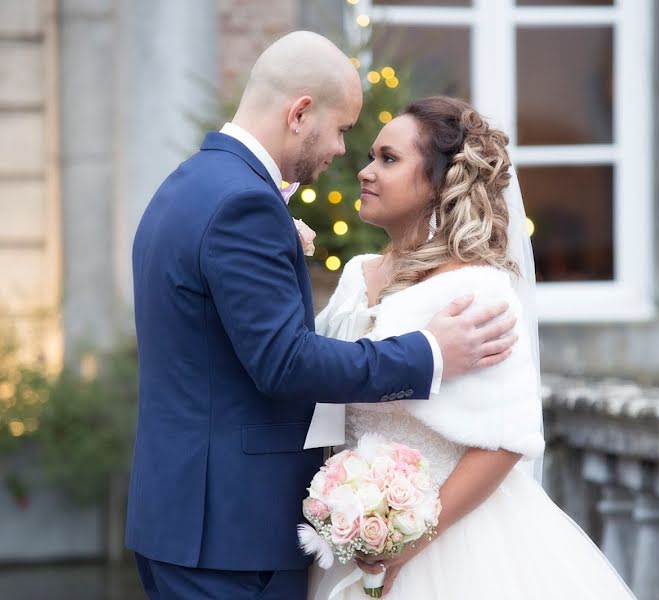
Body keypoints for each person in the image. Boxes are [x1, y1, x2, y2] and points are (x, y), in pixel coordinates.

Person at [126, 33, 517, 600]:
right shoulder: (244, 204)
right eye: (341, 130)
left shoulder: (191, 185)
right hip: (231, 536)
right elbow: (284, 362)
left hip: (187, 521)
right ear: (300, 113)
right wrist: (431, 352)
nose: (342, 152)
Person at [307, 96, 635, 598]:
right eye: (371, 156)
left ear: (439, 183)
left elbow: (506, 440)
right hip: (351, 540)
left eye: (388, 159)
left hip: (455, 546)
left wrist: (414, 539)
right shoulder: (355, 277)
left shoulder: (477, 290)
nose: (366, 172)